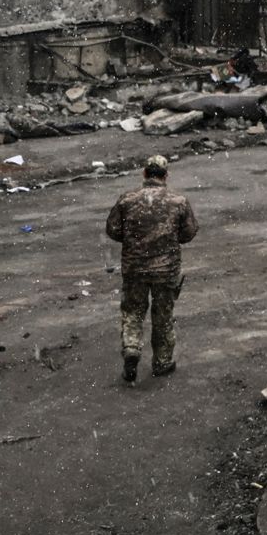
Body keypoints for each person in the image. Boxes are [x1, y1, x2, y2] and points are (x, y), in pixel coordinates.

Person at [104, 153, 197, 384]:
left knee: (133, 311)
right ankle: (162, 362)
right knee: (163, 315)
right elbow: (188, 233)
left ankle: (132, 348)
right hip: (166, 270)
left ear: (144, 173)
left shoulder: (127, 200)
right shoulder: (179, 201)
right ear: (166, 176)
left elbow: (113, 230)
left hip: (134, 268)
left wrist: (135, 238)